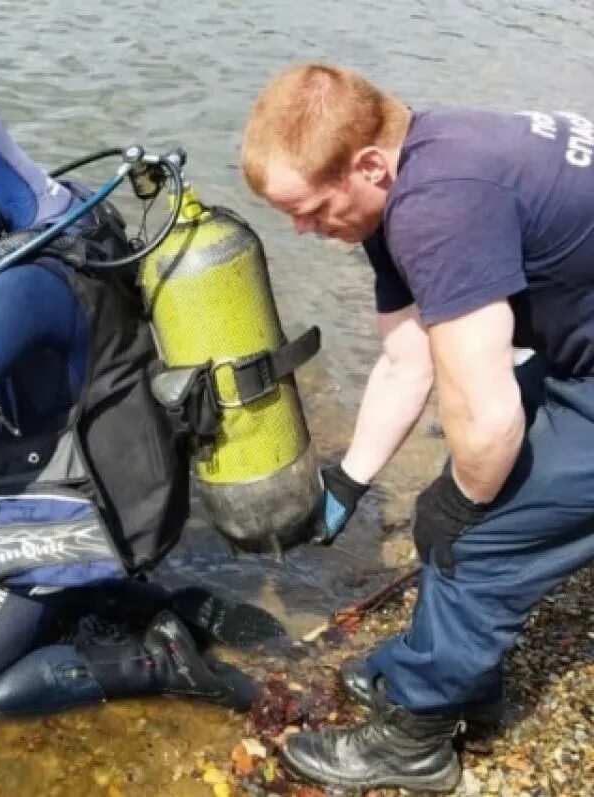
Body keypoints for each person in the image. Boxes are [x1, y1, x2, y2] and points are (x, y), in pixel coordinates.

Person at [0, 91, 279, 718]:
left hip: (87, 517)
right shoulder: (77, 215)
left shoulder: (28, 276)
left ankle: (158, 662)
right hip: (135, 489)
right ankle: (161, 606)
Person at [241, 63, 594, 792]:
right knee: (469, 494)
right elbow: (409, 358)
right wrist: (348, 481)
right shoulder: (410, 175)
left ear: (369, 163)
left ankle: (415, 740)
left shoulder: (439, 207)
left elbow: (489, 417)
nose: (303, 230)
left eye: (308, 207)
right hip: (578, 355)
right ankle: (458, 678)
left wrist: (460, 508)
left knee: (481, 537)